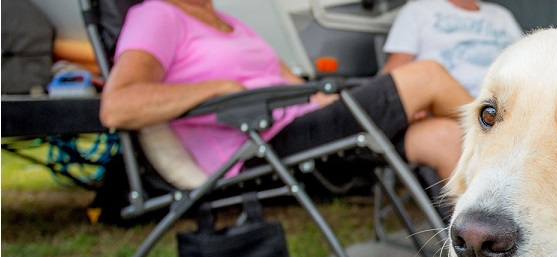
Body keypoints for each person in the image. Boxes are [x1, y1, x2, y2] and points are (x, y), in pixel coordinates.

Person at [99, 0, 472, 181]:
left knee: (443, 136)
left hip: (306, 126)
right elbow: (118, 106)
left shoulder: (230, 23)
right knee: (426, 76)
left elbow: (304, 91)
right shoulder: (156, 14)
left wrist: (386, 106)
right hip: (262, 146)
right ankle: (523, 143)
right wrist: (219, 88)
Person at [380, 0, 523, 96]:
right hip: (445, 106)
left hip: (504, 100)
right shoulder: (418, 10)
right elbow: (394, 73)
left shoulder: (502, 15)